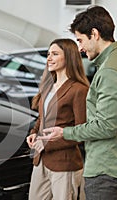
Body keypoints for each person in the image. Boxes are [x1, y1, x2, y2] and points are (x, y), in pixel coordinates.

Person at [38, 6, 117, 200]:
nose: (79, 48)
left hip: (105, 166)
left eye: (80, 40)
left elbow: (106, 126)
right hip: (116, 162)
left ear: (94, 34)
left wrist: (65, 132)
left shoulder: (110, 71)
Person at [26, 38, 89, 200]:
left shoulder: (79, 90)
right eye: (48, 54)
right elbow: (42, 117)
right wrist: (33, 132)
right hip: (40, 160)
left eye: (55, 54)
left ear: (68, 57)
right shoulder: (48, 86)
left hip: (64, 164)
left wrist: (47, 144)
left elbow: (81, 132)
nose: (49, 58)